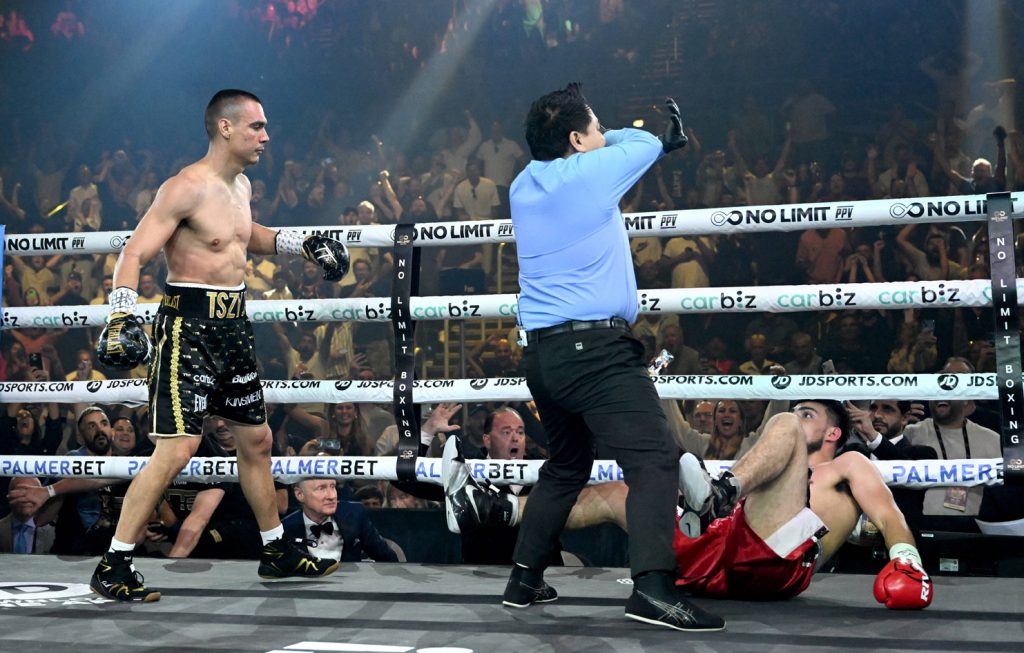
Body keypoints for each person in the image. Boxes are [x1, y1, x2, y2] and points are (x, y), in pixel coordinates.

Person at [89, 89, 350, 602]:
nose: (266, 136)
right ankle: (114, 563)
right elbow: (135, 252)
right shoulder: (184, 187)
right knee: (179, 447)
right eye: (257, 126)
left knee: (257, 441)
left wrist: (301, 244)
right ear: (225, 128)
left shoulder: (241, 185)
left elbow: (241, 235)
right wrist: (122, 310)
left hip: (234, 326)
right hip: (187, 328)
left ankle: (275, 550)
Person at [498, 82, 722, 632]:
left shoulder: (524, 184)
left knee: (568, 464)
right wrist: (643, 135)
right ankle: (652, 589)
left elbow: (624, 142)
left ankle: (524, 577)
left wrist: (606, 133)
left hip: (546, 355)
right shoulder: (590, 174)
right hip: (594, 352)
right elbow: (647, 142)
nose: (604, 135)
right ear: (576, 140)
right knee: (653, 462)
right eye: (593, 128)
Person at [450, 400, 933, 609]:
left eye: (810, 413)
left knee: (779, 425)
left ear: (831, 432)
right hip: (716, 552)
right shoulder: (770, 464)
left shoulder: (846, 465)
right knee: (621, 494)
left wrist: (908, 564)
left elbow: (890, 517)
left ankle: (718, 493)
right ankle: (494, 511)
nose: (797, 416)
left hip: (772, 563)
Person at [282, 478, 398, 563]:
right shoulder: (285, 528)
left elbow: (388, 559)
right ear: (299, 494)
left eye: (333, 486)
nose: (332, 496)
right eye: (321, 488)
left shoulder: (354, 515)